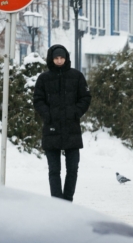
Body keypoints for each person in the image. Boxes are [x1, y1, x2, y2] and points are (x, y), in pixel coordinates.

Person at [33, 45, 91, 202]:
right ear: (51, 59)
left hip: (72, 129)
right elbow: (38, 100)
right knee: (54, 170)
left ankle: (68, 200)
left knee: (72, 169)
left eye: (62, 58)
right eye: (56, 58)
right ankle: (57, 202)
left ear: (66, 58)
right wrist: (47, 114)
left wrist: (76, 112)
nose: (59, 61)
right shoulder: (44, 79)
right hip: (51, 129)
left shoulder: (77, 76)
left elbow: (85, 97)